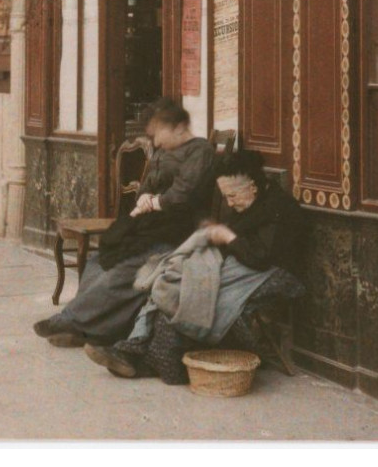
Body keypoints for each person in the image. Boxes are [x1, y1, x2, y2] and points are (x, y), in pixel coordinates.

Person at [84, 149, 307, 382]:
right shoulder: (250, 202)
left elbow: (260, 258)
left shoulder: (279, 207)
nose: (229, 204)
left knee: (193, 293)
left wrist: (228, 237)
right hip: (244, 264)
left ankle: (157, 363)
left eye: (232, 196)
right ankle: (133, 349)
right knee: (173, 279)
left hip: (274, 273)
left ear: (252, 186)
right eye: (226, 197)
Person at [33, 100, 214, 347]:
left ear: (179, 127)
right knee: (100, 260)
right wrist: (145, 199)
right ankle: (88, 329)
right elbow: (145, 189)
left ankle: (71, 319)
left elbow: (184, 194)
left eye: (159, 134)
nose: (156, 143)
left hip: (179, 231)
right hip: (151, 225)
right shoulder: (163, 152)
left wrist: (155, 202)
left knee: (124, 270)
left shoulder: (200, 151)